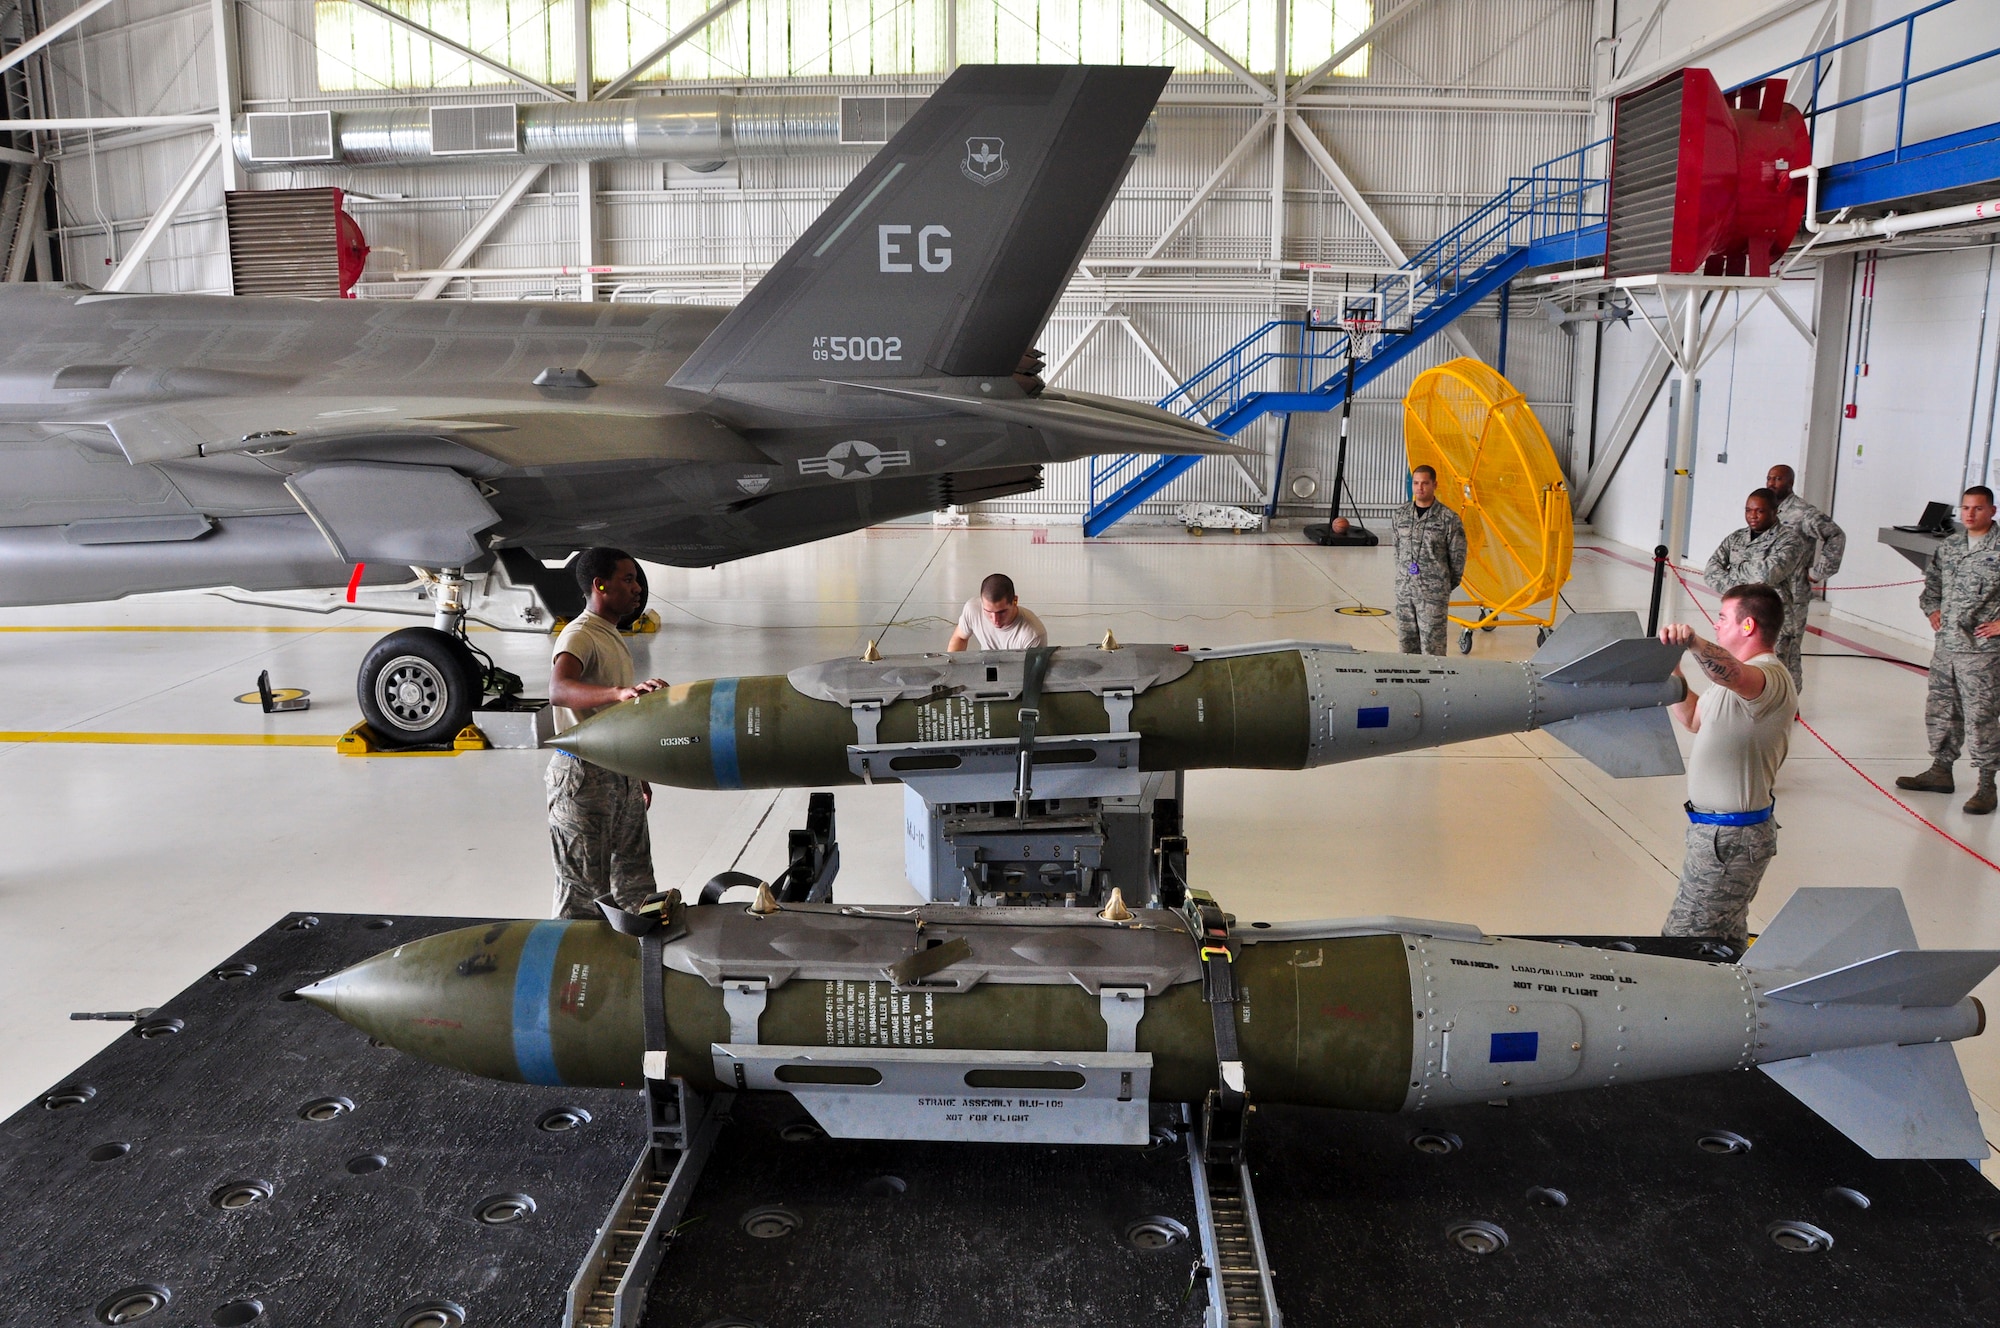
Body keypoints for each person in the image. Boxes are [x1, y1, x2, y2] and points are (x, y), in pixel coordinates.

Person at [1658, 584, 1797, 948]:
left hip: (1730, 839)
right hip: (1716, 835)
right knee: (1722, 937)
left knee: (1685, 944)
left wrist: (1694, 643)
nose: (1717, 626)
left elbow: (1732, 674)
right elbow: (1692, 718)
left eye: (1722, 619)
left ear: (1748, 626)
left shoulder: (1768, 677)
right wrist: (1670, 668)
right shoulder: (1730, 685)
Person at [547, 548, 667, 919]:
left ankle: (635, 965)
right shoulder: (580, 634)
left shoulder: (610, 634)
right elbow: (560, 688)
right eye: (627, 580)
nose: (637, 589)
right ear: (600, 586)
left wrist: (637, 771)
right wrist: (618, 693)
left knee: (636, 889)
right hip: (583, 775)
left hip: (619, 771)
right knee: (582, 897)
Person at [1896, 486, 2000, 814]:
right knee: (1942, 709)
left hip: (1982, 652)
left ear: (1992, 511)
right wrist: (1932, 609)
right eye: (1966, 508)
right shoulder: (1951, 546)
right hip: (1946, 649)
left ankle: (1987, 784)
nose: (1970, 514)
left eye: (1978, 508)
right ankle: (1941, 771)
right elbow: (1932, 588)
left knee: (1981, 715)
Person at [1704, 488, 1808, 690]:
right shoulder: (1736, 538)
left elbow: (1767, 575)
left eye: (1759, 511)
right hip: (1737, 618)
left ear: (1774, 511)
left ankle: (1785, 709)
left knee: (1778, 672)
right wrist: (1743, 583)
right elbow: (1710, 571)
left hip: (1771, 619)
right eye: (1748, 510)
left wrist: (1734, 572)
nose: (1752, 516)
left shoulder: (1790, 540)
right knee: (1738, 666)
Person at [1766, 464, 1846, 689]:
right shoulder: (1767, 510)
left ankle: (1790, 700)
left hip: (1793, 595)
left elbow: (1836, 535)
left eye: (1778, 479)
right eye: (1769, 478)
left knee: (1788, 649)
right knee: (1767, 648)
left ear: (1790, 483)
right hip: (1768, 592)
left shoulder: (1803, 512)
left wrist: (1820, 572)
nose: (1772, 483)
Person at [1391, 464, 1466, 656]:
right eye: (1416, 483)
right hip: (1405, 591)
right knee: (1406, 645)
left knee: (1433, 648)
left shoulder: (1448, 519)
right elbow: (1398, 551)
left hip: (1433, 595)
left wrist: (1440, 586)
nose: (1420, 488)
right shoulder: (1400, 515)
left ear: (1435, 485)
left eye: (1425, 483)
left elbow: (1457, 560)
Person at [947, 573, 1048, 651]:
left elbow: (1031, 674)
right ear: (982, 602)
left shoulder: (1033, 635)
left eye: (1001, 612)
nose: (995, 620)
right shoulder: (973, 609)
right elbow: (960, 637)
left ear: (1015, 601)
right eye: (988, 611)